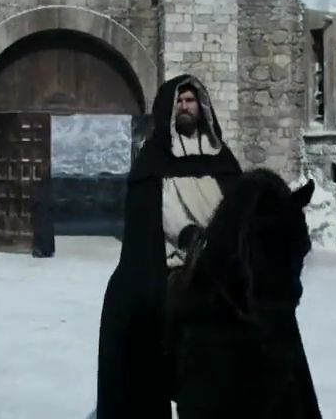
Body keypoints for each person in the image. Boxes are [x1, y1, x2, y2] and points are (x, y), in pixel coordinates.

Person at [95, 74, 243, 419]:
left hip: (222, 259)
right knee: (135, 312)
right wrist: (188, 234)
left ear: (202, 107)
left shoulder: (222, 157)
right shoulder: (153, 159)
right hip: (174, 260)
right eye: (179, 101)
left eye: (191, 101)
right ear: (169, 108)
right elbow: (160, 211)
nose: (185, 106)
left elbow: (238, 203)